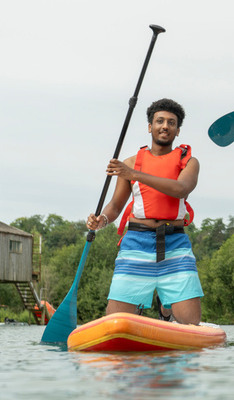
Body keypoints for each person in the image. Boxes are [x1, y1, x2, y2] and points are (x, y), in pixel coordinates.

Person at [86, 98, 203, 324]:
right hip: (137, 243)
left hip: (175, 244)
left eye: (171, 122)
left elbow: (180, 189)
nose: (165, 126)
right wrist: (102, 219)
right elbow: (116, 205)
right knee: (115, 322)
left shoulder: (188, 161)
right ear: (150, 127)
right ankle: (143, 305)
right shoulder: (131, 162)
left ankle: (165, 306)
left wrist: (134, 175)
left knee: (191, 324)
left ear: (178, 130)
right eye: (159, 121)